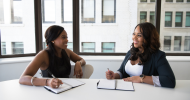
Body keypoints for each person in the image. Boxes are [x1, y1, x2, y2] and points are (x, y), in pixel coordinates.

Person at [106, 22, 176, 88]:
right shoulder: (130, 52)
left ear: (148, 38)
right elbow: (121, 71)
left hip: (145, 93)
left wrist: (141, 78)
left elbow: (170, 80)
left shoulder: (158, 56)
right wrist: (114, 75)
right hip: (127, 90)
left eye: (139, 35)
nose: (134, 38)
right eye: (134, 34)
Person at [19, 25, 86, 88]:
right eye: (63, 37)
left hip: (66, 88)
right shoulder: (43, 54)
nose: (67, 40)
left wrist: (78, 63)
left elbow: (82, 60)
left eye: (67, 37)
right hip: (49, 91)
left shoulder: (66, 51)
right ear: (53, 39)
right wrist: (47, 82)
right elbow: (22, 79)